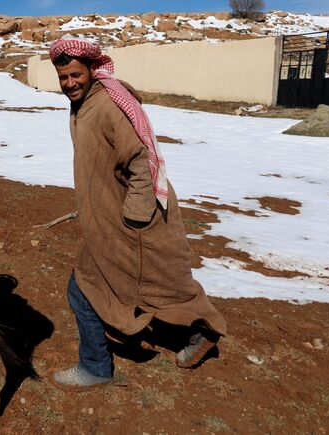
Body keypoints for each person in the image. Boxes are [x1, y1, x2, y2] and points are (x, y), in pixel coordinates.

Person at [48, 37, 227, 390]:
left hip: (134, 223)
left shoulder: (108, 107)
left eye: (74, 75)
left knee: (89, 288)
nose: (69, 83)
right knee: (155, 285)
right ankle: (193, 333)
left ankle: (97, 367)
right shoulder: (87, 104)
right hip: (112, 220)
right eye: (63, 77)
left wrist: (133, 219)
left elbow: (141, 161)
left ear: (92, 69)